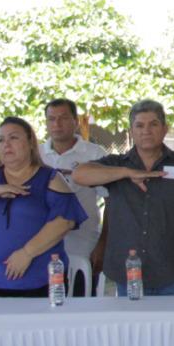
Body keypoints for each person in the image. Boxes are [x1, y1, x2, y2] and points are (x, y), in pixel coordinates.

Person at [75, 100, 174, 295]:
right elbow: (80, 174)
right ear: (131, 130)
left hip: (173, 273)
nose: (146, 131)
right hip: (127, 274)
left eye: (153, 124)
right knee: (131, 327)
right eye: (139, 125)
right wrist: (126, 173)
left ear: (164, 129)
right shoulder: (115, 164)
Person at [0, 117, 86, 298]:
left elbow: (65, 221)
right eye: (1, 140)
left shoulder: (50, 178)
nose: (6, 144)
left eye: (13, 138)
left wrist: (26, 253)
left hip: (38, 283)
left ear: (30, 143)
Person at [40, 98, 108, 296]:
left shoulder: (95, 154)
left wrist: (103, 245)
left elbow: (111, 201)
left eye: (63, 118)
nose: (57, 124)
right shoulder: (35, 155)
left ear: (75, 121)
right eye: (51, 119)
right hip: (41, 251)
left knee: (82, 312)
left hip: (84, 247)